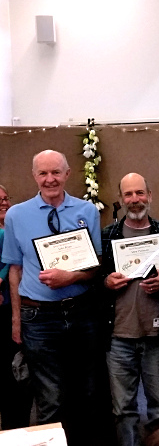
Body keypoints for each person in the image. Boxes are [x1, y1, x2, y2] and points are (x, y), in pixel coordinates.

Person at [1, 150, 102, 445]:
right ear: (34, 176)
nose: (50, 179)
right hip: (38, 318)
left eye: (56, 172)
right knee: (50, 397)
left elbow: (94, 266)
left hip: (82, 314)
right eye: (43, 173)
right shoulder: (17, 215)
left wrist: (71, 277)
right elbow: (15, 270)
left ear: (68, 174)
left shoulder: (87, 211)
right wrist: (16, 320)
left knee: (88, 392)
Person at [101, 173, 159, 446]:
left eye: (139, 193)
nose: (134, 200)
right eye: (128, 194)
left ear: (150, 194)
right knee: (123, 410)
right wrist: (106, 281)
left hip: (156, 335)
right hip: (118, 336)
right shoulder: (108, 235)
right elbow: (96, 280)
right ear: (121, 198)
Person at [0, 184, 33, 430]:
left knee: (17, 374)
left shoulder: (13, 229)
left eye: (5, 198)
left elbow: (15, 263)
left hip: (15, 311)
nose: (4, 203)